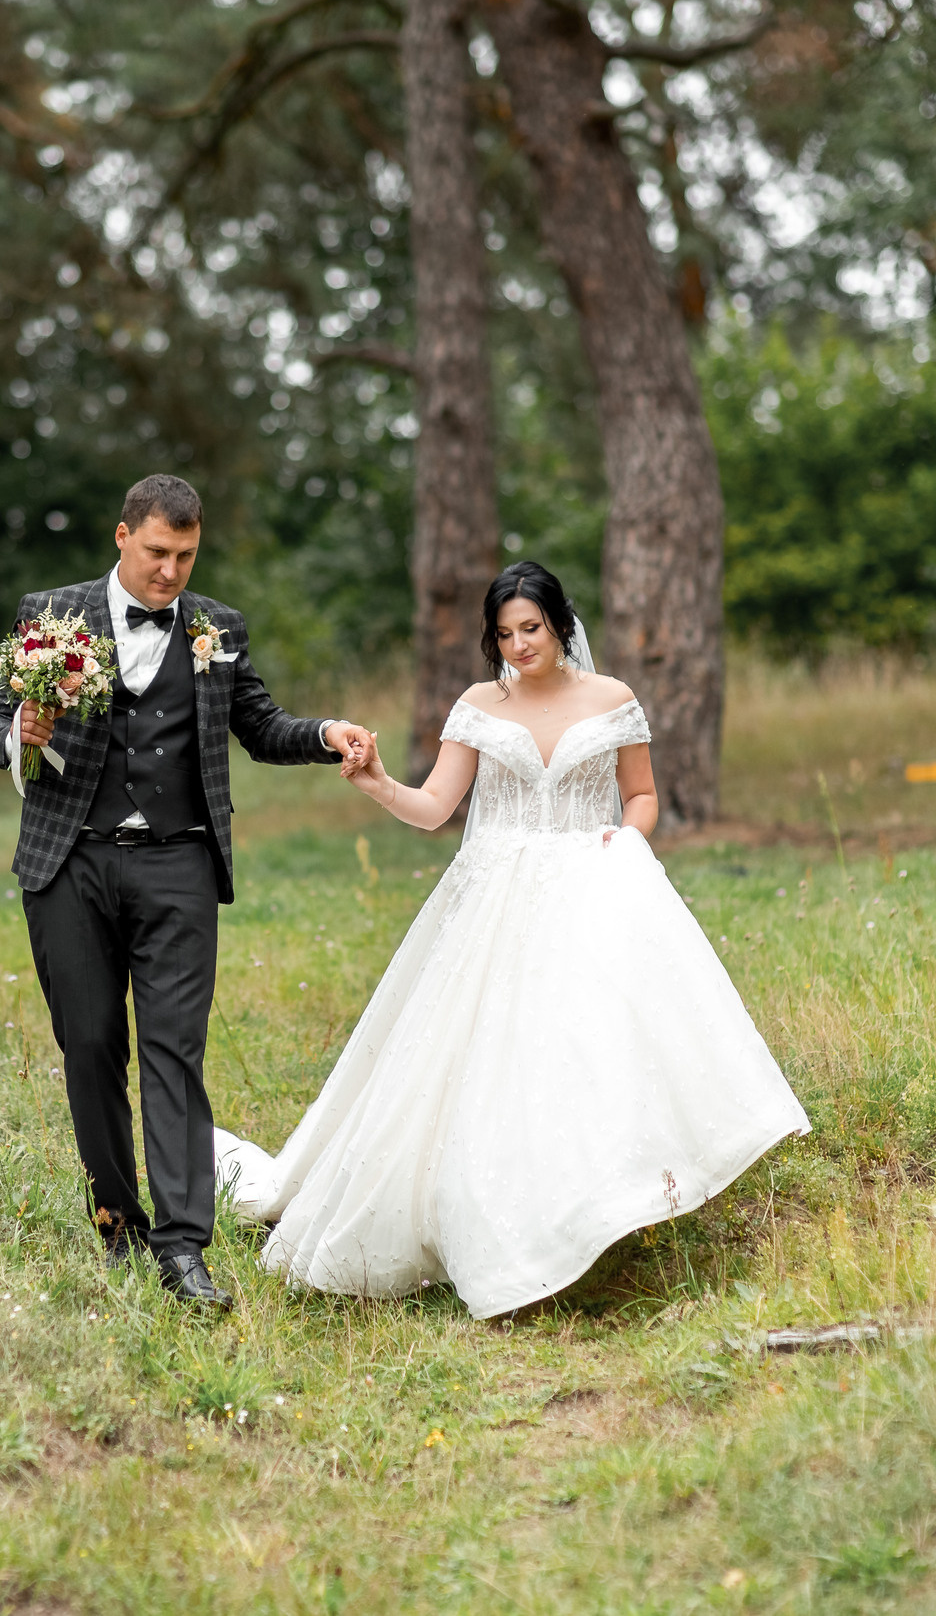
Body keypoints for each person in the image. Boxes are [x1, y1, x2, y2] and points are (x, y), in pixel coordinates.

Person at [213, 562, 810, 1318]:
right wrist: (374, 780)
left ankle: (602, 1201)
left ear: (561, 622)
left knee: (592, 1048)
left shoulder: (613, 699)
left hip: (590, 885)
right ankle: (494, 1227)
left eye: (530, 628)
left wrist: (627, 842)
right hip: (495, 898)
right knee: (490, 1058)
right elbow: (434, 808)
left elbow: (644, 794)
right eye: (503, 633)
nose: (518, 644)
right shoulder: (478, 705)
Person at [0, 474, 373, 1310]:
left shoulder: (216, 627)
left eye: (186, 555)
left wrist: (326, 733)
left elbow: (260, 727)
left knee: (174, 1055)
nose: (171, 572)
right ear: (122, 537)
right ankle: (117, 1219)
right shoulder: (50, 613)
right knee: (89, 1045)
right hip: (69, 861)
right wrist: (20, 731)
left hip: (179, 864)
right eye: (158, 551)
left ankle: (184, 1246)